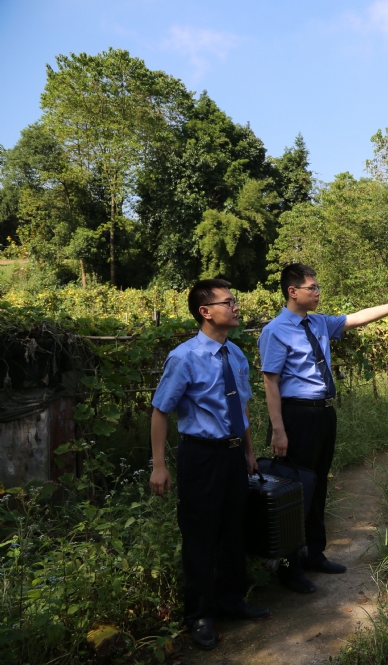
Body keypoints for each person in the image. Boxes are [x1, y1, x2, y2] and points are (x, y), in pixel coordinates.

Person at [258, 263, 388, 594]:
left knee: (318, 484)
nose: (317, 292)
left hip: (324, 414)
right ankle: (290, 569)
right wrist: (278, 429)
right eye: (312, 287)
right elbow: (270, 382)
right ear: (292, 291)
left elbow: (358, 317)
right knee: (295, 493)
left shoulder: (319, 323)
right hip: (297, 416)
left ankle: (314, 553)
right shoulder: (276, 331)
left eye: (317, 286)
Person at [149, 279, 269, 651]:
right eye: (228, 302)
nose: (236, 307)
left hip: (233, 455)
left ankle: (231, 600)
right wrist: (159, 465)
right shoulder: (184, 357)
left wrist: (248, 451)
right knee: (200, 535)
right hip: (201, 456)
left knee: (234, 529)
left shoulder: (237, 355)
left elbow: (241, 407)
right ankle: (199, 615)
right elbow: (160, 410)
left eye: (234, 301)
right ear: (206, 312)